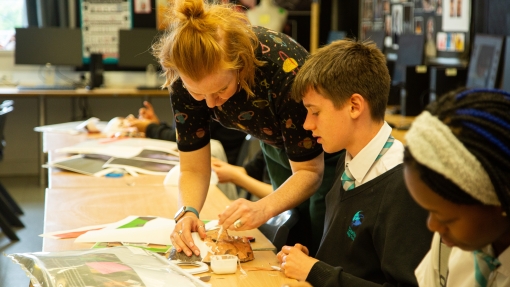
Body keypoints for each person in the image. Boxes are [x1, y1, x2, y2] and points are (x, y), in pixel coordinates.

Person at [153, 0, 340, 258]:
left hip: (330, 151)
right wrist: (187, 212)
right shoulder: (183, 80)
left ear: (242, 65)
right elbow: (193, 167)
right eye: (198, 93)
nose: (209, 104)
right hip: (275, 144)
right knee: (291, 225)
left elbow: (310, 170)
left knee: (320, 238)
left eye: (220, 91)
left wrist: (262, 208)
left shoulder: (283, 69)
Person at [276, 38, 433, 286]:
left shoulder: (403, 187)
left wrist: (317, 271)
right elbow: (355, 264)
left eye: (315, 111)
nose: (307, 124)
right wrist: (313, 264)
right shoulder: (348, 159)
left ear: (354, 106)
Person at [403, 88, 510, 286]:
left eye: (445, 218)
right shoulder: (450, 242)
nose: (432, 226)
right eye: (429, 212)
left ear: (501, 199)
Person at [127, 101, 247, 165]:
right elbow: (184, 133)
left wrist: (150, 128)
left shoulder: (211, 98)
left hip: (216, 167)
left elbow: (188, 138)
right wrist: (158, 125)